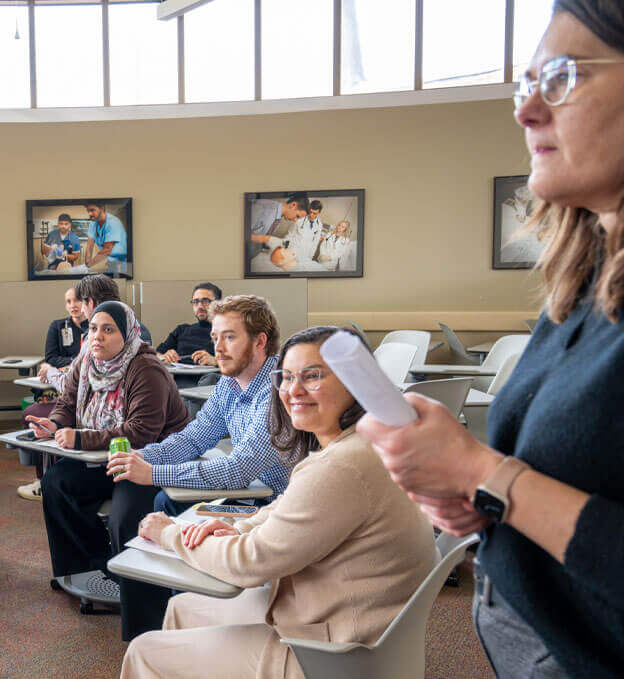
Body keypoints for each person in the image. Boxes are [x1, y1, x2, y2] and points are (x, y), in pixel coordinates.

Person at [358, 5, 624, 677]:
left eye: (562, 77)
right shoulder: (585, 279)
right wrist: (477, 495)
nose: (526, 110)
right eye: (525, 84)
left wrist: (483, 473)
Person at [121, 326, 436, 679]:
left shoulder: (343, 466)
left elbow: (248, 562)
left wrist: (170, 534)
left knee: (144, 651)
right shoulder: (362, 443)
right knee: (182, 608)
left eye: (312, 376)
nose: (293, 390)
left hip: (335, 655)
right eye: (286, 377)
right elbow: (289, 504)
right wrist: (239, 528)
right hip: (348, 623)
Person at [104, 294, 291, 634]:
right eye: (216, 337)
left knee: (167, 503)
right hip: (254, 495)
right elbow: (193, 439)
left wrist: (153, 473)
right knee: (165, 502)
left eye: (229, 337)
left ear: (260, 341)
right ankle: (167, 617)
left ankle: (191, 620)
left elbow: (237, 469)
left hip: (277, 509)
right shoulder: (229, 384)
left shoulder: (279, 390)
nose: (218, 347)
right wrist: (143, 456)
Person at [30, 301, 191, 641]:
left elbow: (140, 433)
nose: (97, 337)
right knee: (57, 483)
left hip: (150, 460)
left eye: (108, 329)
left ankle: (143, 618)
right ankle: (88, 568)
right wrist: (55, 423)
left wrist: (80, 438)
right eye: (93, 329)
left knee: (126, 517)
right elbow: (66, 402)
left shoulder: (146, 368)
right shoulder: (86, 360)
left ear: (127, 334)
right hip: (105, 457)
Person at [18, 287, 89, 501]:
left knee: (44, 415)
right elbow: (50, 357)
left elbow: (61, 364)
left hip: (79, 394)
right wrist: (70, 364)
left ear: (88, 302)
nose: (73, 305)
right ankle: (42, 478)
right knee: (31, 413)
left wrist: (62, 367)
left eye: (77, 300)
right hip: (66, 390)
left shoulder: (93, 329)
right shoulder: (58, 327)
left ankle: (56, 478)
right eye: (68, 301)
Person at [156, 283, 222, 366]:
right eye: (196, 302)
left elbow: (237, 362)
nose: (200, 306)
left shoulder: (226, 332)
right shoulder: (182, 330)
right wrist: (163, 357)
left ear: (218, 304)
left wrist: (216, 361)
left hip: (212, 374)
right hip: (178, 374)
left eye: (205, 301)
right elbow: (156, 354)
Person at [246, 192, 308, 264]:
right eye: (297, 216)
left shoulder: (278, 219)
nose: (295, 220)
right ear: (293, 205)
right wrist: (267, 239)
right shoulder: (262, 207)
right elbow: (240, 235)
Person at [83, 202, 129, 272]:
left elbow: (107, 249)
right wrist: (86, 266)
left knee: (120, 276)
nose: (89, 214)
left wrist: (89, 265)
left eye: (92, 210)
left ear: (102, 208)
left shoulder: (113, 222)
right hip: (111, 259)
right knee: (109, 275)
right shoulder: (93, 223)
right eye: (88, 211)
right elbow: (89, 246)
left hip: (123, 261)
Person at [283, 199, 325, 264]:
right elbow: (290, 235)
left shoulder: (319, 224)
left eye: (314, 213)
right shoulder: (300, 218)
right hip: (293, 250)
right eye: (310, 212)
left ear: (319, 213)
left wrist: (310, 257)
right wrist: (284, 249)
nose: (311, 215)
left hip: (305, 255)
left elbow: (315, 243)